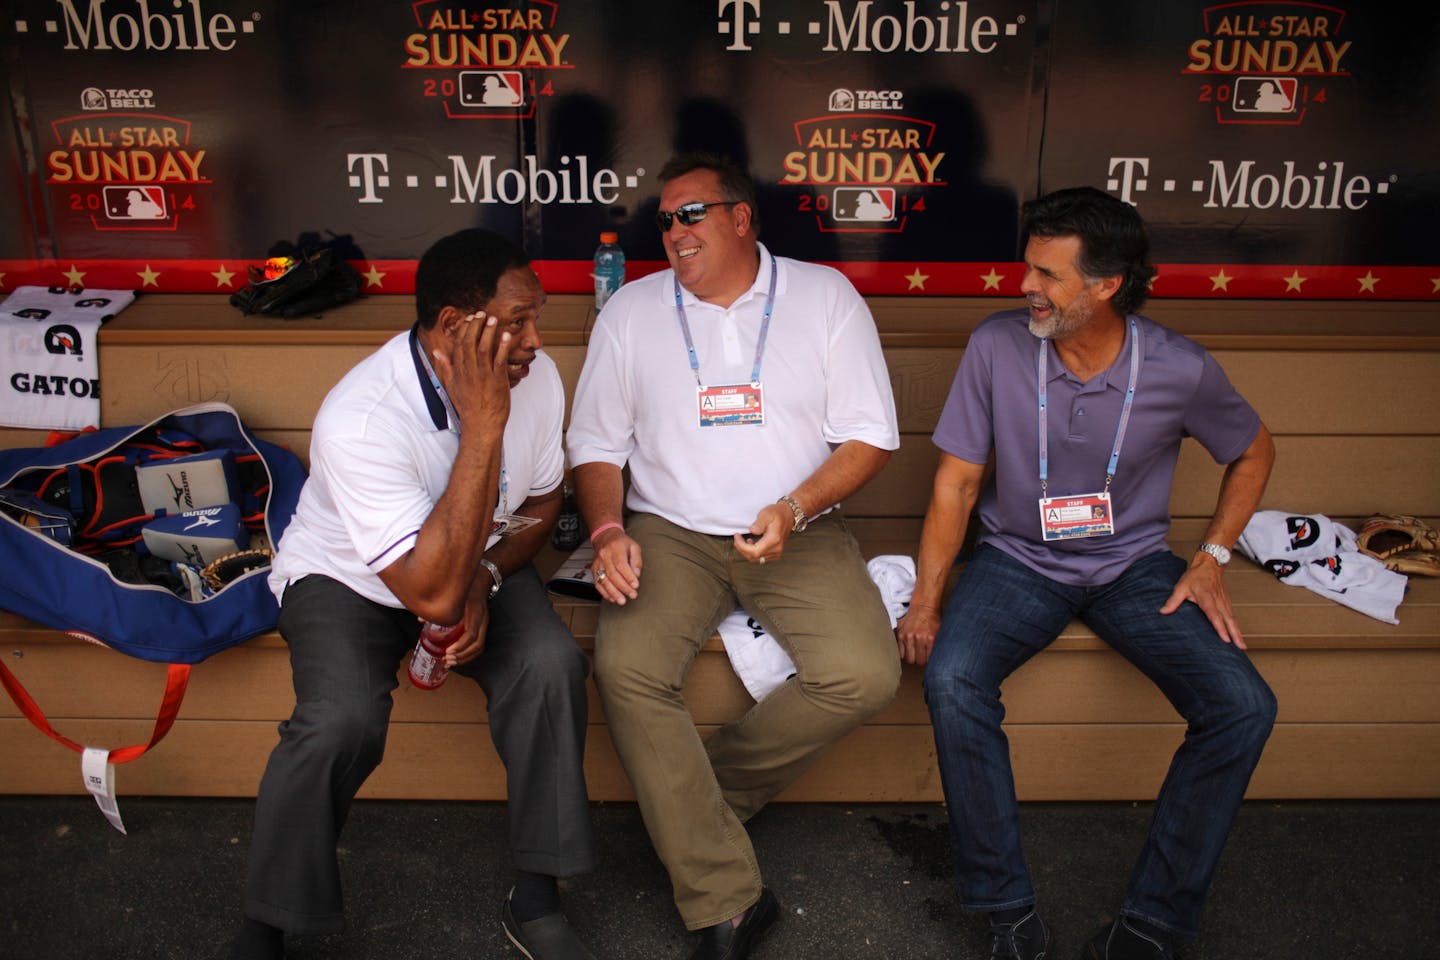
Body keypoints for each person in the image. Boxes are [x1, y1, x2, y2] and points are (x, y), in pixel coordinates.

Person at [897, 187, 1278, 960]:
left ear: (1106, 285)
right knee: (952, 680)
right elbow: (957, 485)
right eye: (1026, 267)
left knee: (1243, 705)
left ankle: (1153, 922)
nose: (1024, 287)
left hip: (1133, 567)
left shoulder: (1177, 366)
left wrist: (1211, 556)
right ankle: (1006, 910)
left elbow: (1253, 448)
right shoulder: (998, 345)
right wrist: (926, 603)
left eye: (1047, 275)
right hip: (1015, 562)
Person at [227, 229, 599, 960]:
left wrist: (488, 578)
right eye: (518, 320)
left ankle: (537, 894)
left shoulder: (539, 376)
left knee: (549, 667)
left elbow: (546, 500)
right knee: (338, 721)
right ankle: (266, 923)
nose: (537, 338)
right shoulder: (362, 416)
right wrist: (484, 423)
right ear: (457, 328)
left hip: (480, 561)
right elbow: (429, 593)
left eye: (537, 316)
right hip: (350, 578)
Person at [566, 153, 903, 960]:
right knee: (628, 670)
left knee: (865, 672)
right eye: (665, 220)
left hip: (796, 524)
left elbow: (870, 437)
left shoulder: (823, 297)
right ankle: (724, 898)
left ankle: (692, 805)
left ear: (741, 218)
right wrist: (609, 531)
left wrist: (794, 507)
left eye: (692, 215)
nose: (674, 232)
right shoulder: (632, 310)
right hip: (670, 528)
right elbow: (595, 443)